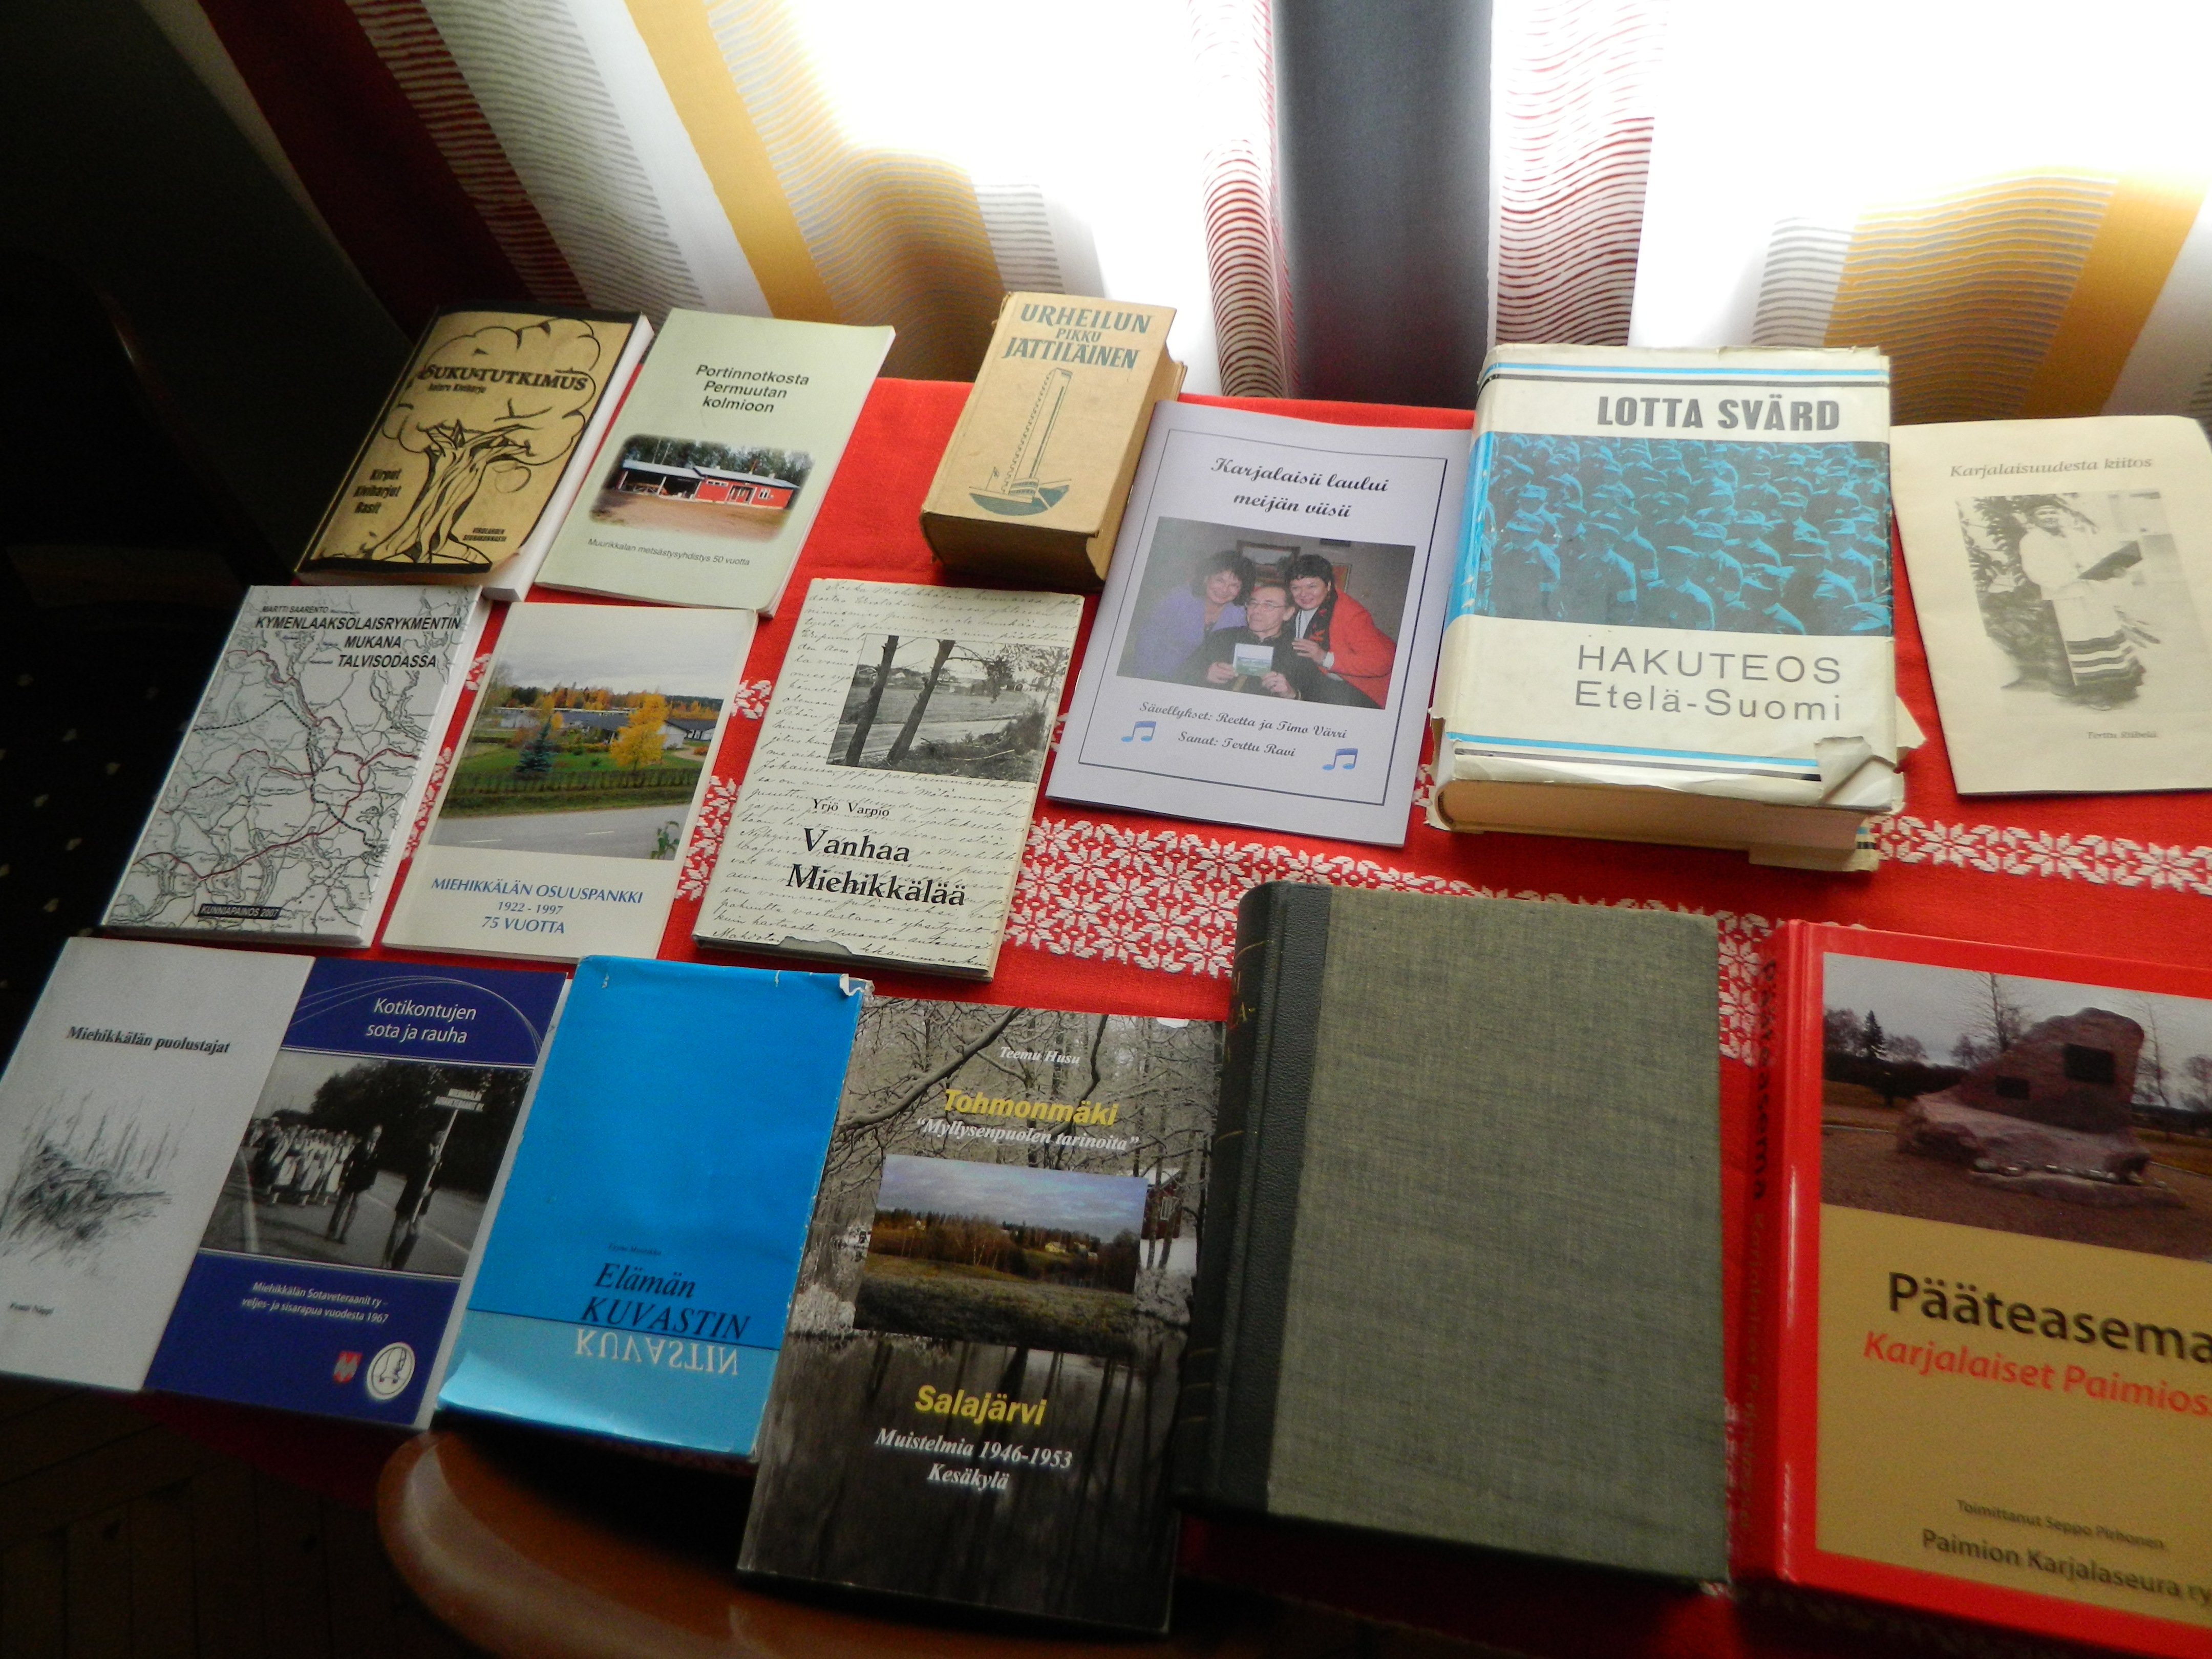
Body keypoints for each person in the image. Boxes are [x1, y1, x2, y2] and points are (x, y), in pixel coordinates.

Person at [2013, 499, 2147, 707]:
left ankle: (2121, 685)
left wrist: (2112, 570)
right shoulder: (2030, 541)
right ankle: (2094, 692)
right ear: (2033, 518)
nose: (2050, 517)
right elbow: (2034, 571)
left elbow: (2095, 559)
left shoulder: (2075, 535)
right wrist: (2070, 577)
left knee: (2107, 634)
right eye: (2043, 513)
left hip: (2094, 591)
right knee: (2083, 642)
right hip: (2066, 597)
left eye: (2052, 512)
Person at [1176, 578, 1362, 704]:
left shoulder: (1300, 651)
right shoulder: (1222, 637)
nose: (1257, 611)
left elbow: (1322, 700)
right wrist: (1204, 675)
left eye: (1269, 605)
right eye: (1253, 603)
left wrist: (1292, 694)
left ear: (1288, 613)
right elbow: (1179, 676)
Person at [1282, 552, 1394, 708]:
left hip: (1362, 693)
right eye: (1296, 588)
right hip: (1318, 683)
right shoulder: (1293, 608)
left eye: (1312, 586)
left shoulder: (1350, 613)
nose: (1303, 594)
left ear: (1328, 586)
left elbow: (1381, 663)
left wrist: (1325, 658)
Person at [1128, 550, 1249, 679]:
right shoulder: (1180, 598)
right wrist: (1144, 675)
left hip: (1206, 680)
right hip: (1162, 674)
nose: (1225, 589)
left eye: (1234, 585)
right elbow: (1148, 636)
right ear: (1206, 578)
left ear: (1241, 589)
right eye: (1219, 580)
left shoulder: (1240, 614)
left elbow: (1241, 652)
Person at [326, 1125, 382, 1244]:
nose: (375, 1136)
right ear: (370, 1133)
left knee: (354, 1208)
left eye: (378, 1134)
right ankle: (332, 1231)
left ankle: (344, 1234)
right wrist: (343, 1178)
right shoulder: (360, 1146)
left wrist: (371, 1183)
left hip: (363, 1184)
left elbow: (375, 1168)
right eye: (374, 1133)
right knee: (342, 1206)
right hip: (352, 1180)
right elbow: (349, 1161)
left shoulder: (378, 1150)